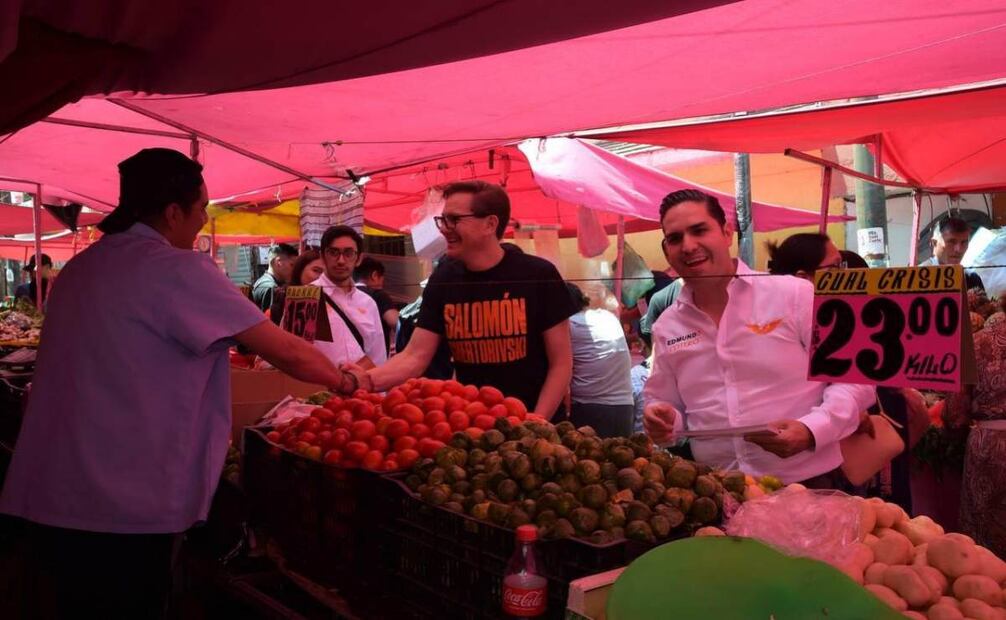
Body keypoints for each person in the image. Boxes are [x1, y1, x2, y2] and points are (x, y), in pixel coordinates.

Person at [0, 148, 357, 620]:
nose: (203, 219)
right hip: (122, 502)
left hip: (51, 492)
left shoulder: (81, 270)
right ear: (173, 212)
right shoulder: (177, 269)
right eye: (201, 208)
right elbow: (285, 350)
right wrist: (346, 379)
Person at [642, 189, 875, 485]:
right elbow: (667, 403)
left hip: (810, 483)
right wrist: (662, 417)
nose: (688, 246)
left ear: (727, 233)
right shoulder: (667, 326)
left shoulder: (794, 294)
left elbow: (854, 379)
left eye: (699, 230)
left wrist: (812, 430)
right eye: (675, 238)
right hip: (720, 491)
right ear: (666, 251)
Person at [345, 181, 576, 418]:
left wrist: (537, 421)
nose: (444, 229)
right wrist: (366, 380)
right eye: (443, 220)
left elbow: (561, 362)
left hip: (535, 430)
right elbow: (414, 355)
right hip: (473, 428)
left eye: (454, 220)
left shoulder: (538, 274)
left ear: (490, 224)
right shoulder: (443, 279)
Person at [767, 236, 919, 507]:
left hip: (844, 464)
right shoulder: (773, 329)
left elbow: (855, 383)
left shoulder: (838, 320)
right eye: (836, 269)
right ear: (803, 279)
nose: (846, 277)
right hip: (804, 470)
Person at [944, 295, 1006, 557]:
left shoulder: (977, 343)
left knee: (982, 532)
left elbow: (955, 412)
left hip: (988, 445)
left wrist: (954, 433)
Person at [311, 225, 388, 368]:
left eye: (348, 253)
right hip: (319, 388)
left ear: (358, 258)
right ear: (322, 257)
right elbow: (292, 352)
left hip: (362, 388)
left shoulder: (368, 303)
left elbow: (378, 357)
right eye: (333, 252)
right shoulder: (306, 297)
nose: (341, 260)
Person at [566, 282, 634, 438]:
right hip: (624, 407)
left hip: (589, 409)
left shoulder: (570, 324)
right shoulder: (608, 317)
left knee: (590, 461)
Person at [922, 216, 985, 291]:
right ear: (934, 243)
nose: (959, 249)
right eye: (951, 242)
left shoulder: (972, 279)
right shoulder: (919, 276)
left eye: (964, 242)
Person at [355, 256, 398, 354]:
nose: (382, 284)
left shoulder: (342, 295)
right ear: (374, 275)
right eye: (382, 279)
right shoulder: (378, 295)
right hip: (375, 361)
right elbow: (395, 322)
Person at [270, 249, 325, 326]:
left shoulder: (330, 298)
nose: (322, 277)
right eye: (316, 270)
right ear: (300, 270)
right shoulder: (283, 295)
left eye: (326, 274)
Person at [252, 242, 297, 312]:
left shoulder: (263, 282)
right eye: (292, 265)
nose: (294, 270)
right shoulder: (271, 288)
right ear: (279, 262)